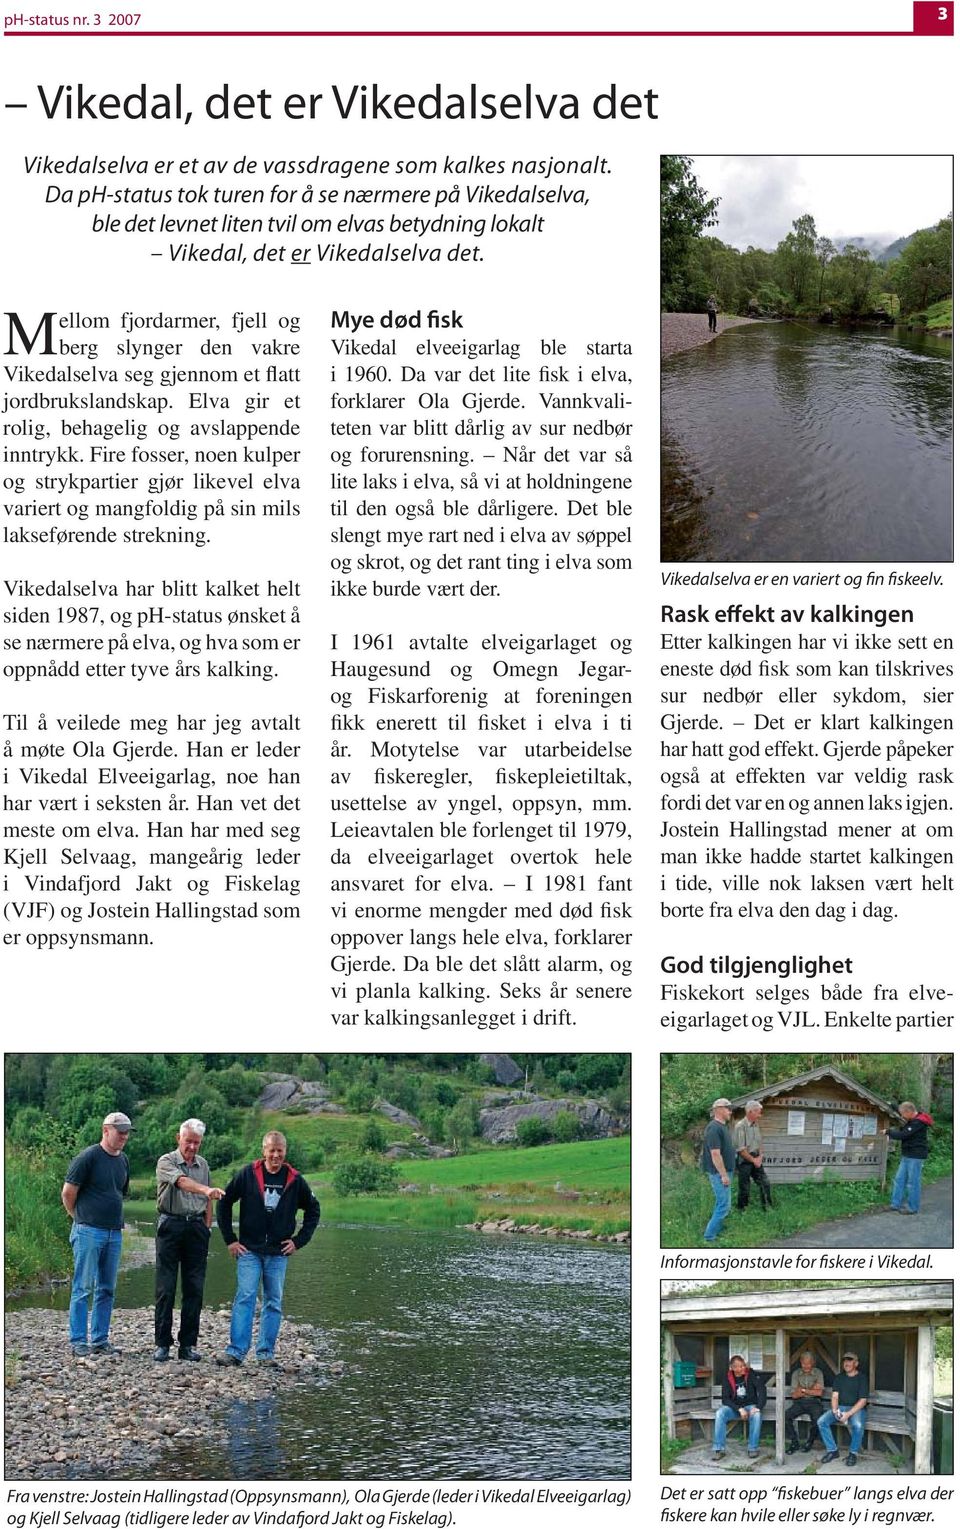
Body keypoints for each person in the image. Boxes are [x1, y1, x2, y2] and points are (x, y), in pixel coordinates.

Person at [215, 1130, 320, 1367]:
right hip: (249, 1250)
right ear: (263, 1151)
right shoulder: (248, 1174)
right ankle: (236, 1352)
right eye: (271, 1150)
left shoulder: (295, 1179)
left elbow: (313, 1210)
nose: (275, 1155)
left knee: (273, 1301)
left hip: (278, 1253)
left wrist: (299, 1240)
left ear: (285, 1151)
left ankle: (265, 1355)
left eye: (279, 1150)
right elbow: (224, 1202)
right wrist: (230, 1239)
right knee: (245, 1297)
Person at [61, 1111, 133, 1357]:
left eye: (126, 1132)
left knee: (107, 1288)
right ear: (106, 1130)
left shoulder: (123, 1160)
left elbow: (119, 1192)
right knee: (83, 1287)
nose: (124, 1136)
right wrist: (79, 1219)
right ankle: (79, 1340)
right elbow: (68, 1193)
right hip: (89, 1230)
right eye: (119, 1131)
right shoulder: (88, 1157)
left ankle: (100, 1340)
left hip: (114, 1232)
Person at [154, 1118, 226, 1362]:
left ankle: (187, 1345)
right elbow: (183, 1183)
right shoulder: (166, 1161)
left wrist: (207, 1227)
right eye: (189, 1142)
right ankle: (162, 1344)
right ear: (179, 1139)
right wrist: (206, 1190)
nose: (193, 1147)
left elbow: (208, 1201)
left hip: (196, 1227)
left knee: (194, 1287)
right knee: (166, 1286)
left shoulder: (203, 1165)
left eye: (197, 1143)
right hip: (171, 1224)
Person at [817, 1351, 869, 1466]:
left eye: (850, 1360)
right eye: (845, 1361)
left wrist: (848, 1414)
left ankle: (853, 1453)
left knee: (858, 1425)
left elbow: (863, 1401)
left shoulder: (862, 1378)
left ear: (856, 1363)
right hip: (840, 1407)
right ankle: (832, 1450)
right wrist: (835, 1410)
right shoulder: (839, 1378)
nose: (847, 1363)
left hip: (856, 1409)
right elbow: (835, 1396)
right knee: (821, 1421)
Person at [713, 1353, 766, 1461]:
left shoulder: (750, 1374)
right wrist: (739, 1409)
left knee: (757, 1415)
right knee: (720, 1413)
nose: (743, 1368)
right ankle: (719, 1449)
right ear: (733, 1368)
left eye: (743, 1365)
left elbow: (762, 1389)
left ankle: (752, 1448)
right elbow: (725, 1399)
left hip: (750, 1406)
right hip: (734, 1408)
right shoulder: (727, 1378)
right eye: (740, 1366)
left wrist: (758, 1407)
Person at [885, 1101, 933, 1215]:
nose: (902, 1117)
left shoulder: (918, 1123)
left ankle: (912, 1208)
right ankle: (895, 1204)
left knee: (912, 1182)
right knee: (899, 1180)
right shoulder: (912, 1116)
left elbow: (903, 1135)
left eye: (903, 1114)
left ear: (910, 1112)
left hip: (915, 1156)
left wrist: (888, 1132)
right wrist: (892, 1104)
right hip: (906, 1155)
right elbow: (902, 1109)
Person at [702, 1098, 735, 1244]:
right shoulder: (714, 1128)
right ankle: (709, 1237)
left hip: (725, 1172)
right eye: (728, 1108)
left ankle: (715, 1230)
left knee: (721, 1203)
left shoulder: (722, 1126)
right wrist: (723, 1175)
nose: (730, 1111)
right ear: (719, 1109)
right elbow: (715, 1154)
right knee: (724, 1205)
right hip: (719, 1174)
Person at [733, 1101, 774, 1213]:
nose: (759, 1115)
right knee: (745, 1186)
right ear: (750, 1111)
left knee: (764, 1182)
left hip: (756, 1158)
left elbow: (759, 1142)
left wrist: (760, 1156)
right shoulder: (740, 1126)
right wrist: (753, 1160)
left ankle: (768, 1207)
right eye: (758, 1113)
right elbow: (741, 1149)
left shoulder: (756, 1124)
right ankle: (742, 1210)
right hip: (745, 1159)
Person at [785, 1350, 825, 1453]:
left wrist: (802, 1389)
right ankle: (794, 1442)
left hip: (815, 1402)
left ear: (813, 1363)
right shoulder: (796, 1373)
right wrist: (812, 1389)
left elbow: (819, 1393)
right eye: (804, 1363)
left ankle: (809, 1442)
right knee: (786, 1416)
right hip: (800, 1402)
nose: (806, 1366)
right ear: (800, 1362)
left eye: (808, 1363)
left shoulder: (818, 1373)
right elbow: (794, 1395)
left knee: (817, 1419)